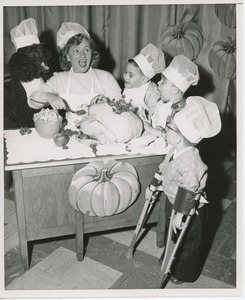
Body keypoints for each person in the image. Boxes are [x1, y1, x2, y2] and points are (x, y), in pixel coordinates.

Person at [148, 96, 221, 284]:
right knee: (171, 231)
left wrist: (181, 213)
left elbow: (189, 188)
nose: (165, 128)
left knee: (188, 240)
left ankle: (184, 271)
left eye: (168, 125)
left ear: (179, 136)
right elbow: (163, 168)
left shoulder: (192, 162)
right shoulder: (173, 150)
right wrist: (153, 185)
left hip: (190, 209)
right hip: (172, 200)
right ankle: (170, 258)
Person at [29, 22, 121, 130]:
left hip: (102, 133)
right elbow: (32, 101)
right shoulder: (60, 79)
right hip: (70, 135)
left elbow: (121, 108)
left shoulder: (106, 78)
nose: (82, 55)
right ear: (67, 56)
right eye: (76, 50)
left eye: (86, 50)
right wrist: (49, 96)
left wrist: (106, 103)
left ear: (92, 53)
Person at [122, 43, 166, 135]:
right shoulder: (129, 87)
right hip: (127, 124)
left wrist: (147, 118)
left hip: (145, 130)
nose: (125, 77)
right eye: (125, 72)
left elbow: (157, 112)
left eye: (130, 75)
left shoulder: (150, 91)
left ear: (144, 79)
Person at [152, 54, 199, 137]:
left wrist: (148, 128)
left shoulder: (181, 111)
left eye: (163, 81)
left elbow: (169, 136)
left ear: (175, 90)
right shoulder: (161, 103)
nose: (158, 82)